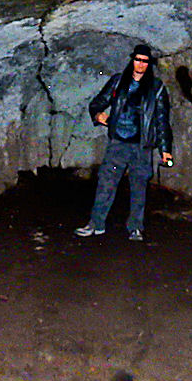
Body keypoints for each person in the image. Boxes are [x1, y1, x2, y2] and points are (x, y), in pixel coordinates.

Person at [75, 44, 173, 241]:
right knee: (106, 184)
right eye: (138, 60)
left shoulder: (156, 88)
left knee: (139, 188)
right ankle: (96, 224)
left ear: (149, 64)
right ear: (132, 60)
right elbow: (97, 102)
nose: (141, 64)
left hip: (142, 147)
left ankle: (135, 228)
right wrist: (98, 115)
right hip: (118, 143)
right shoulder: (118, 81)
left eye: (145, 61)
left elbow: (162, 120)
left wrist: (165, 149)